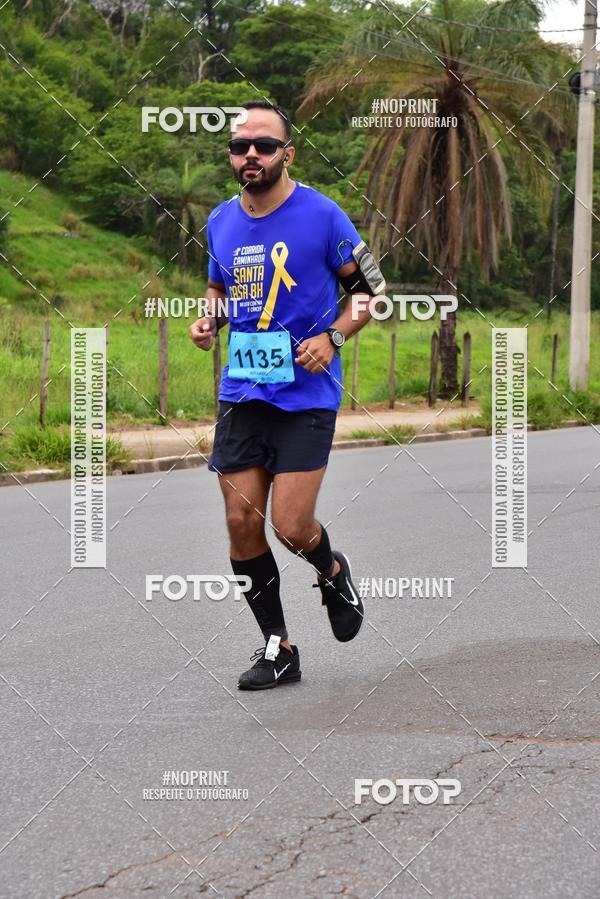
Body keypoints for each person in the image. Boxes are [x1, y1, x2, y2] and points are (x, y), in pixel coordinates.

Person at [189, 99, 386, 690]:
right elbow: (218, 290)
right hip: (243, 389)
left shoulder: (324, 216)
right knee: (240, 520)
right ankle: (279, 648)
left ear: (286, 153)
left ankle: (331, 569)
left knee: (291, 526)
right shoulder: (221, 220)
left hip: (307, 393)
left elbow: (370, 294)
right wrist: (209, 322)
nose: (251, 154)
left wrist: (333, 337)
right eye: (240, 145)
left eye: (264, 145)